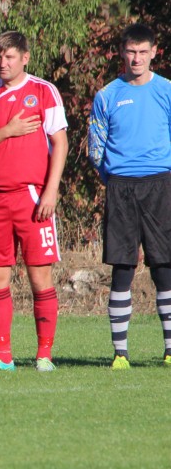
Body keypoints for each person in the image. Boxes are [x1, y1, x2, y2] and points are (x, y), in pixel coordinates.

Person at [0, 31, 68, 372]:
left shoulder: (43, 91)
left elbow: (60, 143)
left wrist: (51, 190)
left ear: (25, 58)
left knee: (40, 278)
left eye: (9, 57)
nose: (2, 63)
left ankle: (44, 355)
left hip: (33, 197)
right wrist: (6, 131)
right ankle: (2, 356)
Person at [89, 22, 171, 369]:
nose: (136, 58)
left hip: (161, 184)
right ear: (121, 53)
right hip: (121, 186)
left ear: (154, 53)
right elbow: (96, 147)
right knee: (122, 266)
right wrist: (112, 178)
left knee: (164, 266)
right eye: (131, 52)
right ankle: (120, 353)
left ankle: (170, 350)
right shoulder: (107, 95)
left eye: (142, 52)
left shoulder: (167, 91)